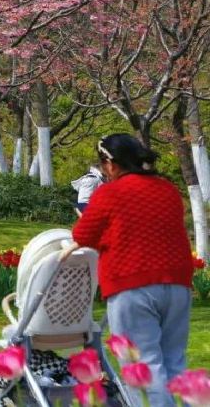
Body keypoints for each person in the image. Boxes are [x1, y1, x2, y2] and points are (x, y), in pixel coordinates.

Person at [72, 134, 195, 407]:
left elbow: (82, 235)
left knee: (142, 367)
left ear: (111, 164)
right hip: (177, 283)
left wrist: (108, 240)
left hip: (132, 285)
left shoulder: (109, 193)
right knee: (175, 363)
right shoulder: (167, 189)